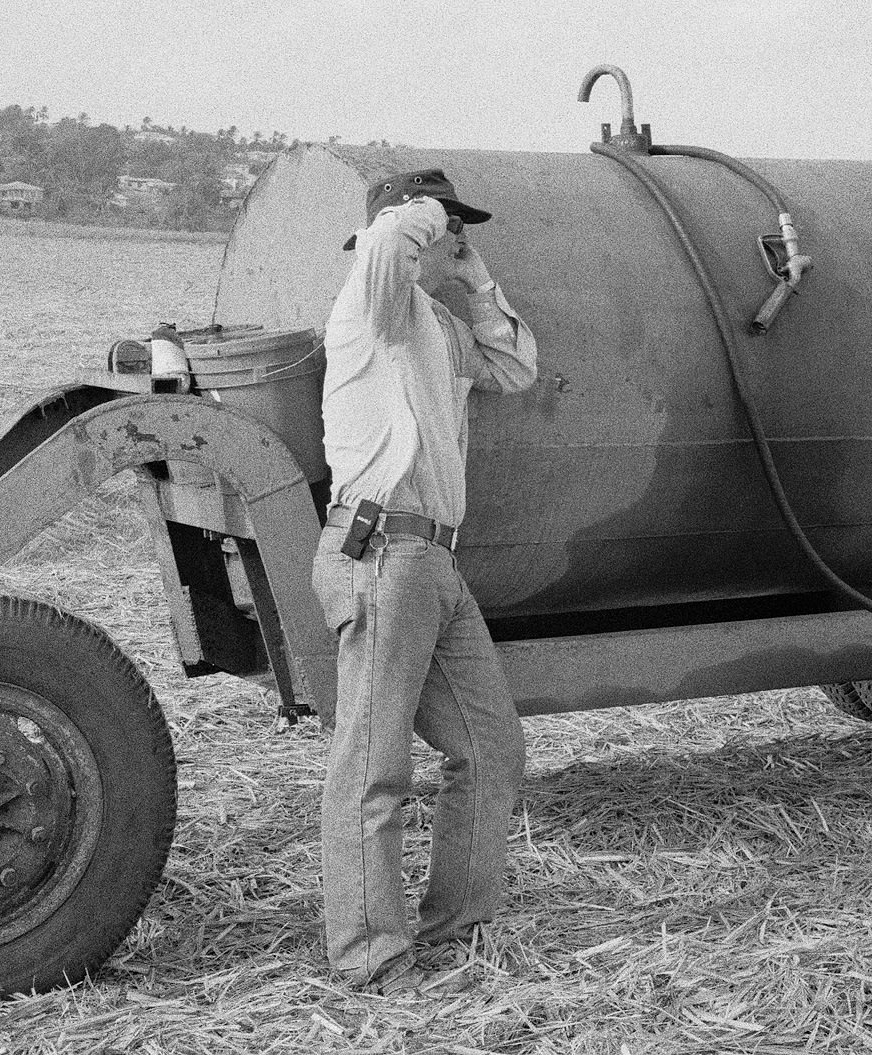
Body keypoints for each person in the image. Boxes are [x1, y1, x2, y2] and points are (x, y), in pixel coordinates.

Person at [312, 168, 538, 993]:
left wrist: (475, 274)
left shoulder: (436, 324)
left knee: (491, 749)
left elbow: (514, 366)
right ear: (410, 231)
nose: (453, 239)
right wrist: (421, 216)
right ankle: (370, 959)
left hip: (434, 561)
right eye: (446, 229)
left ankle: (456, 930)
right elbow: (381, 254)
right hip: (381, 552)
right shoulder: (367, 311)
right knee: (373, 766)